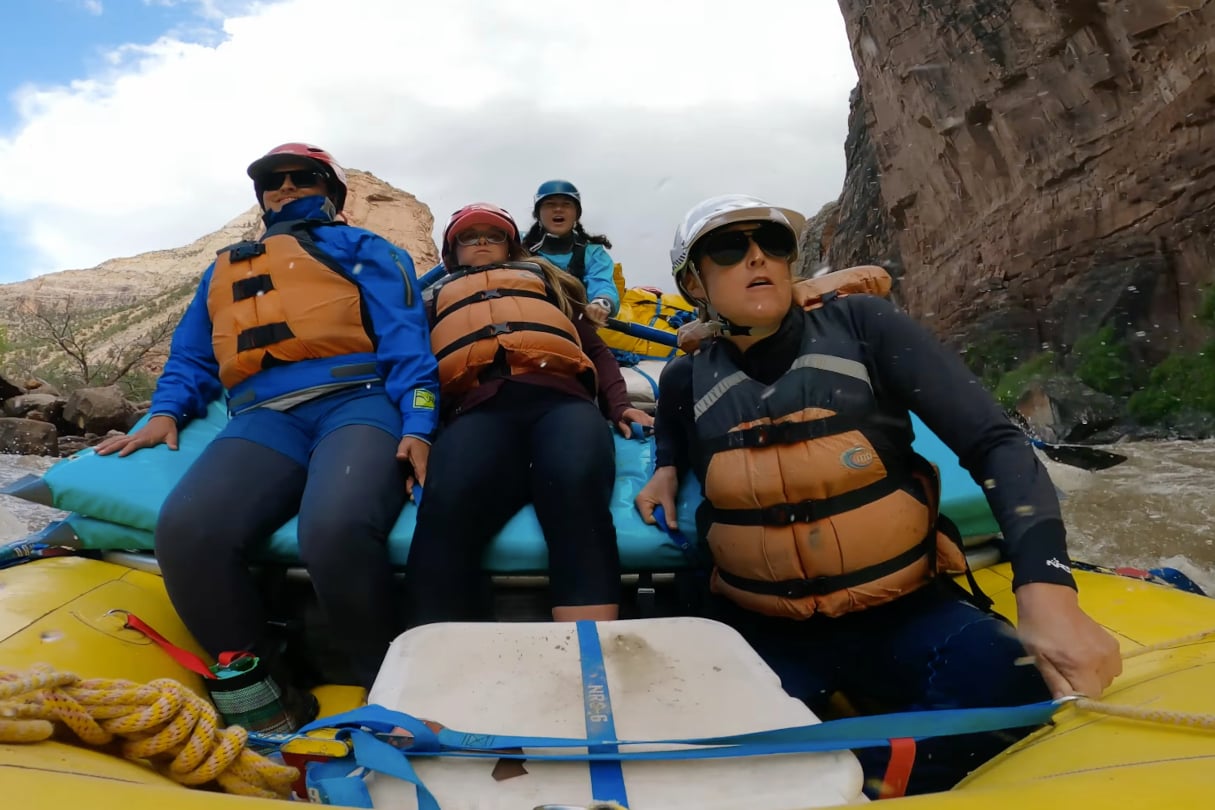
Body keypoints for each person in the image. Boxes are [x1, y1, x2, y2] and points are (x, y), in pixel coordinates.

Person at [634, 194, 1122, 796]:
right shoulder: (685, 377)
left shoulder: (862, 327)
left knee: (1013, 674)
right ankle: (868, 765)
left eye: (774, 245)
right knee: (696, 739)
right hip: (763, 629)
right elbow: (676, 434)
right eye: (729, 250)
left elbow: (997, 443)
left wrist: (1048, 591)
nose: (758, 257)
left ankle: (858, 772)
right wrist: (665, 468)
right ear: (693, 282)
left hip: (901, 613)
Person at [95, 142, 439, 715]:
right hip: (264, 416)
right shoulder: (224, 269)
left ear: (330, 193)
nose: (285, 188)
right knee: (188, 532)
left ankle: (389, 687)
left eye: (302, 178)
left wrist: (420, 423)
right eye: (272, 181)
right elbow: (192, 358)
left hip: (358, 400)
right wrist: (164, 413)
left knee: (334, 528)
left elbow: (408, 342)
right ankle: (269, 689)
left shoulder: (368, 249)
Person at [406, 203, 652, 625]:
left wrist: (620, 404)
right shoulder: (432, 301)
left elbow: (595, 350)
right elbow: (415, 372)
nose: (481, 242)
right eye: (469, 236)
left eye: (493, 235)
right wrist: (418, 431)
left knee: (575, 494)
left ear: (510, 246)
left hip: (561, 402)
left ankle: (589, 658)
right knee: (446, 509)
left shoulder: (542, 284)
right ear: (453, 251)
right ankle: (447, 661)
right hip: (477, 411)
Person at [523, 179, 620, 326]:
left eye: (566, 204)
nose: (558, 209)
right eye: (550, 204)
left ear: (576, 214)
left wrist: (601, 303)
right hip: (523, 321)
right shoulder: (518, 244)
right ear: (538, 214)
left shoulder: (592, 253)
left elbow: (602, 283)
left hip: (573, 328)